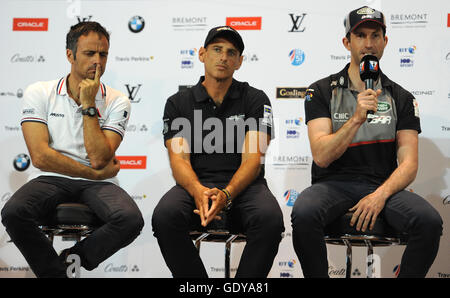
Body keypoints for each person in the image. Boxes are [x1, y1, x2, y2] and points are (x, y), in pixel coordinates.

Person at [291, 6, 443, 278]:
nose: (369, 43)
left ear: (385, 42)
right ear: (346, 42)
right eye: (360, 35)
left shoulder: (402, 97)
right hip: (332, 184)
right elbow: (321, 156)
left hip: (382, 186)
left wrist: (379, 195)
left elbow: (409, 164)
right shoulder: (322, 90)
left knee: (429, 222)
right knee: (303, 212)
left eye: (376, 35)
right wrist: (356, 119)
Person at [1, 21, 144, 278]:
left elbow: (100, 158)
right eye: (90, 53)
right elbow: (41, 157)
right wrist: (93, 172)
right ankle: (55, 274)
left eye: (103, 54)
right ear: (70, 55)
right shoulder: (40, 92)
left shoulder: (117, 100)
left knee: (131, 219)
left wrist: (89, 105)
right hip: (51, 179)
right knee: (13, 212)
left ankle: (69, 262)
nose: (98, 62)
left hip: (99, 184)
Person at [152, 26, 284, 278]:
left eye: (231, 52)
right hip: (195, 183)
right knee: (165, 216)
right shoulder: (178, 103)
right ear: (202, 54)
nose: (223, 57)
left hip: (245, 186)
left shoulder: (256, 99)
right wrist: (198, 190)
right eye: (216, 49)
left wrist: (227, 194)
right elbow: (179, 160)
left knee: (270, 219)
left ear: (239, 62)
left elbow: (253, 160)